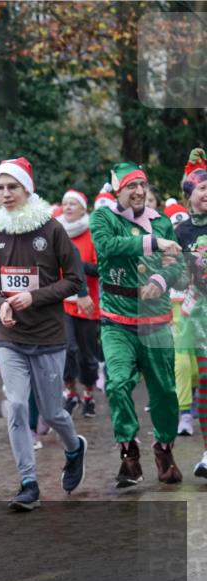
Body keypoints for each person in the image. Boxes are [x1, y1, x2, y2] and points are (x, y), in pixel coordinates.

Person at [0, 157, 88, 511]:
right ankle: (28, 483)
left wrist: (33, 297)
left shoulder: (51, 230)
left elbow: (74, 280)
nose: (6, 193)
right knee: (18, 405)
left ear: (28, 189)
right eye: (0, 187)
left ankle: (74, 447)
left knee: (53, 413)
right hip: (11, 337)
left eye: (13, 187)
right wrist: (1, 304)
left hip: (49, 335)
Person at [90, 162, 184, 486]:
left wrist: (160, 277)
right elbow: (108, 247)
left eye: (142, 185)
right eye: (131, 185)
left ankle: (164, 447)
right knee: (117, 384)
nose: (139, 191)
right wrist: (153, 244)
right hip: (117, 320)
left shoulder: (162, 222)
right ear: (118, 190)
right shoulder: (104, 218)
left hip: (156, 320)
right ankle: (129, 452)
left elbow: (177, 265)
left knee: (165, 391)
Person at [173, 148, 207, 478]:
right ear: (189, 196)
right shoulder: (181, 231)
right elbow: (177, 275)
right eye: (202, 188)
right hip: (194, 312)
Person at [57, 189, 100, 418]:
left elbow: (100, 269)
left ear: (84, 209)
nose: (68, 207)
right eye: (65, 204)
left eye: (73, 204)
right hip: (62, 304)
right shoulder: (56, 232)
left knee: (86, 355)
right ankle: (71, 392)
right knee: (67, 349)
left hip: (87, 304)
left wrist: (77, 264)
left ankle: (89, 395)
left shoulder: (92, 234)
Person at [164, 196, 197, 437]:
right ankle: (184, 412)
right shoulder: (162, 250)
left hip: (197, 310)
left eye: (180, 225)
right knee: (181, 360)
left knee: (195, 367)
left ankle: (194, 401)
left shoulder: (196, 247)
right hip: (173, 315)